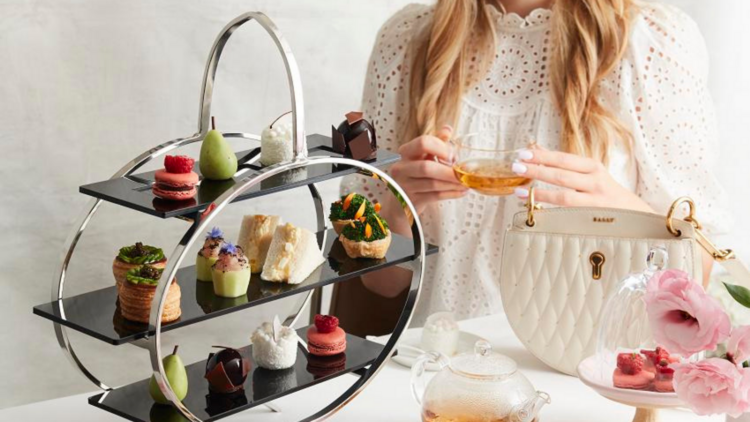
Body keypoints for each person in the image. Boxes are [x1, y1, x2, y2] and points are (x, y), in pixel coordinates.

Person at [341, 0, 730, 325]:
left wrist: (624, 217)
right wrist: (395, 211)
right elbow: (382, 286)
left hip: (585, 379)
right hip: (441, 371)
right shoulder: (408, 39)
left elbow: (702, 271)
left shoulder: (650, 40)